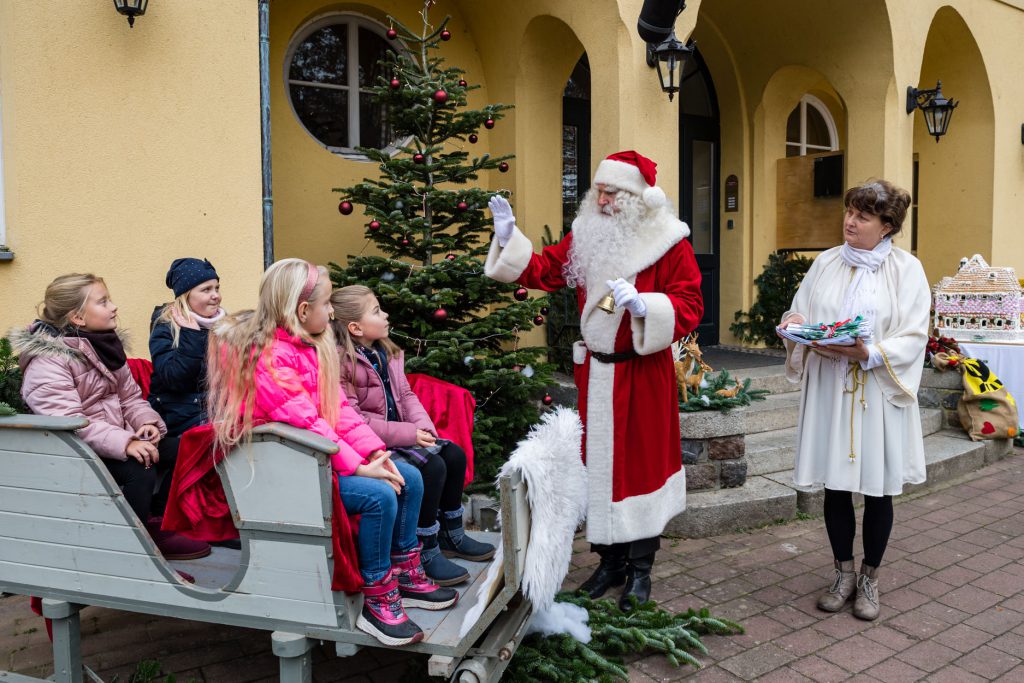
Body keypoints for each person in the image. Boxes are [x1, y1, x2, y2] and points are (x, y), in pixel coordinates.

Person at [485, 150, 704, 610]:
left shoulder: (669, 241)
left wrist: (648, 307)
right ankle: (610, 563)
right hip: (596, 374)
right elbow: (547, 269)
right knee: (598, 467)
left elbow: (690, 303)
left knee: (640, 467)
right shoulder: (585, 234)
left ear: (635, 197)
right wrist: (509, 237)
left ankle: (640, 571)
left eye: (611, 193)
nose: (601, 200)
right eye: (598, 191)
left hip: (642, 372)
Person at [205, 258, 456, 646]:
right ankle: (376, 595)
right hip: (287, 472)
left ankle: (405, 569)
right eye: (325, 304)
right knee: (378, 496)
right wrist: (360, 467)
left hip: (315, 462)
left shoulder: (311, 348)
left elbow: (338, 415)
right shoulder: (268, 358)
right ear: (303, 311)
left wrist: (375, 454)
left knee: (409, 477)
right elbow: (308, 424)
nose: (331, 312)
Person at [778, 180, 929, 621]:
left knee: (878, 489)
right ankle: (842, 572)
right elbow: (797, 309)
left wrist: (870, 352)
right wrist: (798, 325)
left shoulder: (906, 269)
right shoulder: (825, 262)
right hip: (830, 387)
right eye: (849, 212)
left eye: (863, 216)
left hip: (876, 392)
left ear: (886, 226)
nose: (850, 221)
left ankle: (870, 579)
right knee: (836, 485)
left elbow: (915, 334)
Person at [12, 274, 211, 561]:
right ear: (78, 317)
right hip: (75, 450)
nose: (114, 307)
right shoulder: (49, 361)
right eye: (103, 302)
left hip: (112, 439)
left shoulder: (104, 346)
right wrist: (127, 443)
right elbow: (68, 422)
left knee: (186, 449)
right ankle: (125, 554)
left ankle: (153, 525)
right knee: (139, 469)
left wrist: (146, 423)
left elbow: (130, 399)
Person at [331, 285, 496, 587]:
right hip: (375, 445)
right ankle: (425, 548)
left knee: (454, 455)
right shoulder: (344, 362)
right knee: (431, 468)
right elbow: (357, 419)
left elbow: (406, 394)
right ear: (355, 327)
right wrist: (409, 433)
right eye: (376, 311)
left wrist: (424, 426)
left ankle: (451, 534)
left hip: (402, 435)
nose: (385, 314)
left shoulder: (387, 351)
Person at [148, 257, 224, 438]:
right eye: (206, 290)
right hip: (179, 417)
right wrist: (191, 335)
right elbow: (174, 378)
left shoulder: (222, 325)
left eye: (217, 288)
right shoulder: (166, 327)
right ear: (186, 295)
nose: (216, 295)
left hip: (216, 412)